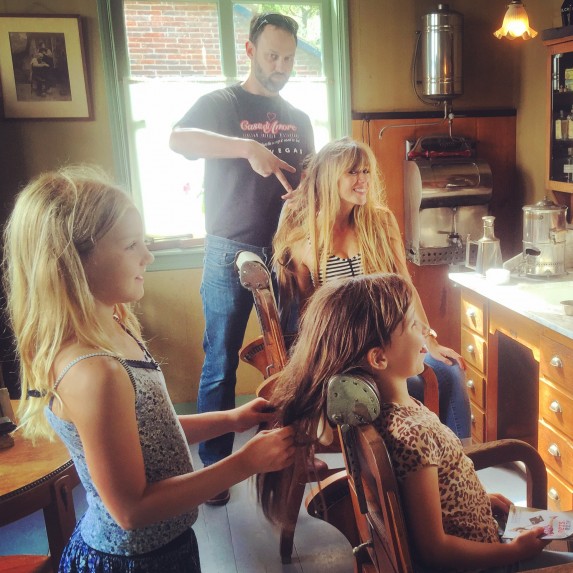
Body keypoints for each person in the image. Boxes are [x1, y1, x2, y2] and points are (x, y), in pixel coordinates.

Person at [2, 166, 295, 573]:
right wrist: (245, 463)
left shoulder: (114, 325)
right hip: (131, 561)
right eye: (130, 245)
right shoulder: (94, 371)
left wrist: (232, 418)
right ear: (72, 261)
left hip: (164, 547)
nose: (148, 255)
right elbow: (131, 510)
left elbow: (148, 431)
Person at [257, 273, 573, 572]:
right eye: (411, 324)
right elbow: (434, 549)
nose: (424, 328)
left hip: (490, 532)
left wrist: (477, 499)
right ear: (379, 358)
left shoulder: (391, 411)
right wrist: (513, 551)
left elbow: (426, 494)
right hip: (494, 562)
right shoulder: (412, 435)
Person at [169, 11, 314, 504]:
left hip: (285, 252)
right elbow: (178, 139)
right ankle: (216, 470)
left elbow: (307, 182)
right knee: (220, 361)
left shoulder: (300, 117)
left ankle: (293, 452)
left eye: (289, 58)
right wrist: (245, 147)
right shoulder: (221, 103)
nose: (281, 66)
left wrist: (307, 201)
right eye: (272, 55)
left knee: (294, 358)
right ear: (250, 51)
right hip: (229, 246)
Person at [272, 136, 471, 440]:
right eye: (352, 172)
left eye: (366, 172)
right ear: (329, 178)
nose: (363, 180)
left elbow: (406, 286)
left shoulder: (380, 222)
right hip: (346, 351)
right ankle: (409, 463)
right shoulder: (303, 242)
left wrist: (428, 338)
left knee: (449, 370)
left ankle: (459, 459)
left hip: (393, 336)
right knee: (415, 385)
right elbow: (309, 320)